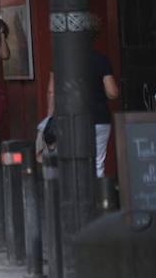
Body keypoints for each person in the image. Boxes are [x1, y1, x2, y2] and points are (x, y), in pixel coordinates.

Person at [44, 24, 120, 178]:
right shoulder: (101, 60)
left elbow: (52, 91)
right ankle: (99, 198)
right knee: (98, 163)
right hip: (99, 117)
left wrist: (49, 117)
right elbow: (112, 92)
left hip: (70, 118)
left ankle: (77, 198)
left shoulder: (61, 60)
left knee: (74, 161)